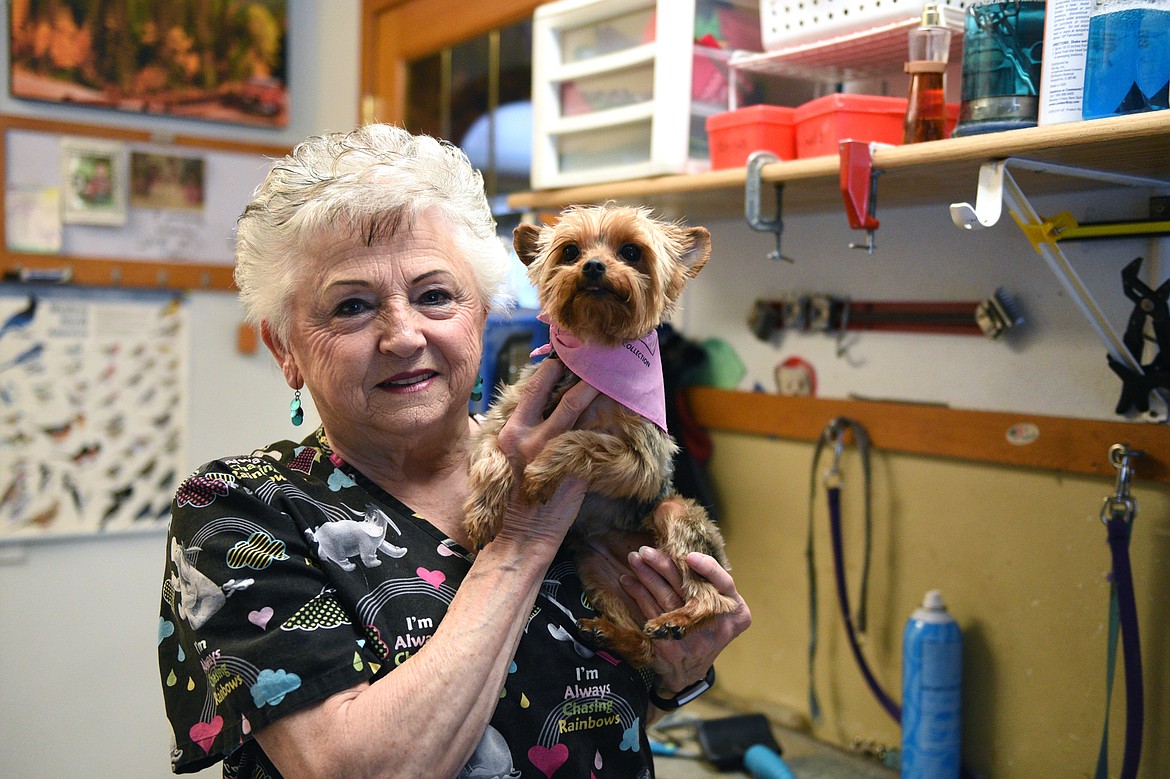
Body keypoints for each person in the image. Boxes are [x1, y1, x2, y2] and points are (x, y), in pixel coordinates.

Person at [157, 123, 751, 778]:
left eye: (434, 295)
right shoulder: (241, 511)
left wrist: (677, 677)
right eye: (352, 305)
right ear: (285, 348)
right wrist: (522, 539)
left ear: (484, 312)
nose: (403, 334)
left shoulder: (589, 468)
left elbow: (587, 714)